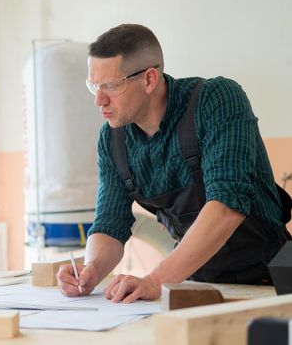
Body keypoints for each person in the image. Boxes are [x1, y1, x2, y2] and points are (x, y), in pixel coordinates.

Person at [56, 23, 292, 303]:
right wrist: (92, 269)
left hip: (271, 282)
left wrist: (156, 280)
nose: (99, 100)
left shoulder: (216, 100)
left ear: (149, 79)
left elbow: (228, 205)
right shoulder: (112, 139)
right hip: (197, 283)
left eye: (111, 86)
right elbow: (109, 222)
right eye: (94, 86)